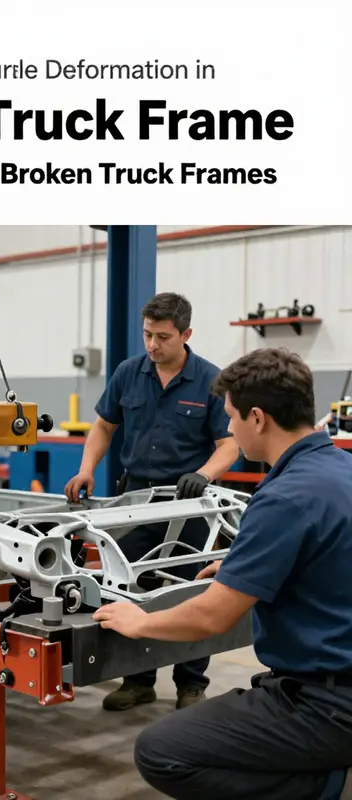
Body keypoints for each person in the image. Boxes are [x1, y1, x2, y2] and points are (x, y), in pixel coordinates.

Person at [93, 348, 352, 800]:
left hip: (326, 703)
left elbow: (211, 618)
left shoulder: (283, 497)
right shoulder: (339, 469)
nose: (228, 429)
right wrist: (245, 559)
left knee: (160, 751)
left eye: (231, 418)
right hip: (339, 681)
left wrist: (141, 622)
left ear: (258, 418)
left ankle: (328, 786)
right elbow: (322, 547)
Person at [64, 292, 239, 711]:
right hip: (137, 502)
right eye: (147, 334)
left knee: (191, 593)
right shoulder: (129, 373)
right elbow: (104, 426)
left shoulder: (210, 380)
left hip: (188, 504)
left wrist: (204, 475)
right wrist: (87, 467)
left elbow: (229, 444)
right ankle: (137, 680)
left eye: (163, 336)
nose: (152, 344)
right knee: (128, 589)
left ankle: (190, 685)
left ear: (186, 334)